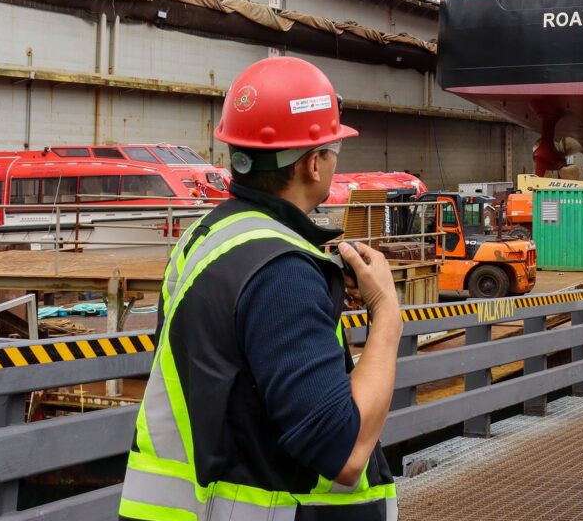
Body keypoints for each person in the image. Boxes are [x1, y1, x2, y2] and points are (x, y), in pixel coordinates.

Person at [119, 56, 401, 521]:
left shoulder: (207, 237)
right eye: (333, 150)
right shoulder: (284, 272)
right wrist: (386, 310)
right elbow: (344, 453)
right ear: (313, 163)